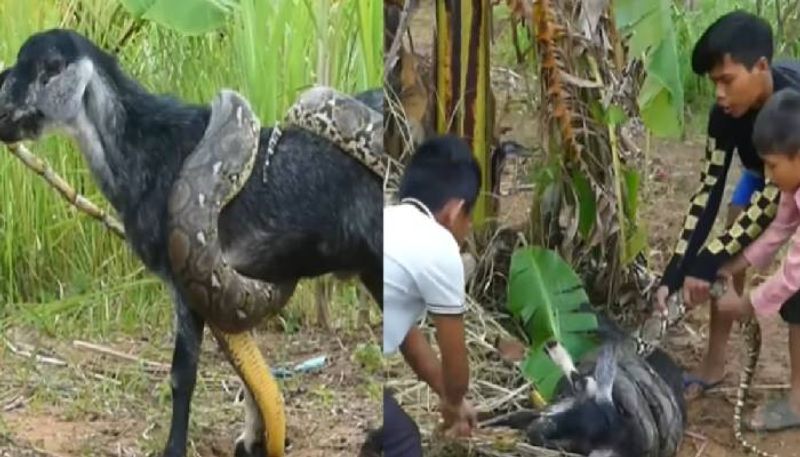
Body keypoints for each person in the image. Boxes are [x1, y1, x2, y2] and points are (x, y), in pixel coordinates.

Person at [652, 10, 800, 400]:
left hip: (785, 177)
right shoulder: (724, 116)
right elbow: (707, 191)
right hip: (764, 174)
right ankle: (714, 364)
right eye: (713, 82)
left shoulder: (793, 109)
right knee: (728, 238)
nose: (718, 93)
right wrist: (678, 268)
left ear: (762, 67)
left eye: (726, 80)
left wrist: (709, 261)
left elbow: (775, 205)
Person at [383, 134, 480, 455]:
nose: (466, 232)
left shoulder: (388, 219)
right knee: (403, 442)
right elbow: (455, 362)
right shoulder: (440, 246)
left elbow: (406, 335)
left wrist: (448, 396)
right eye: (469, 220)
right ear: (456, 212)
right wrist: (454, 400)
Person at [714, 87, 800, 431]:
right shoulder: (791, 188)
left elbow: (796, 270)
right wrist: (735, 264)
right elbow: (778, 231)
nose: (767, 176)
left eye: (772, 165)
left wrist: (750, 302)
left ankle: (798, 403)